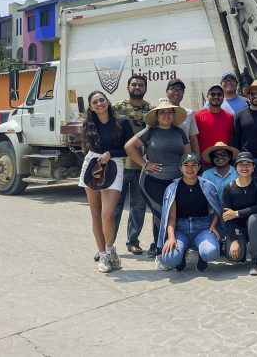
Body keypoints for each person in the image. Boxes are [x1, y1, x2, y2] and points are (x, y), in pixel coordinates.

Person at [124, 99, 189, 262]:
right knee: (161, 212)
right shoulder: (150, 131)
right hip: (152, 181)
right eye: (162, 112)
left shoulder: (180, 132)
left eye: (169, 112)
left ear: (173, 115)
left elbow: (188, 156)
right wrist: (145, 164)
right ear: (157, 115)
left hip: (176, 181)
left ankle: (164, 245)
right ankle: (160, 248)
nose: (166, 115)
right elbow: (129, 147)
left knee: (173, 214)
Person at [80, 90, 134, 273]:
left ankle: (111, 251)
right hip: (92, 167)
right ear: (91, 107)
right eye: (95, 102)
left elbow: (128, 149)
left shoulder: (122, 122)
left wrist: (111, 153)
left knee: (107, 215)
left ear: (108, 102)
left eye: (102, 100)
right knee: (95, 214)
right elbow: (87, 148)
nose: (99, 104)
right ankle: (102, 255)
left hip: (114, 165)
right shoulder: (88, 124)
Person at [158, 153, 222, 273]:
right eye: (186, 165)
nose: (190, 168)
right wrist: (171, 237)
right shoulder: (173, 188)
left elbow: (217, 208)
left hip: (202, 227)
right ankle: (181, 254)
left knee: (211, 253)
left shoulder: (208, 186)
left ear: (198, 168)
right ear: (180, 168)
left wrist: (213, 225)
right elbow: (171, 217)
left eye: (194, 165)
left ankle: (203, 258)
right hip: (180, 229)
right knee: (169, 259)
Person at [111, 75, 153, 258]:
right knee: (114, 207)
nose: (137, 87)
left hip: (141, 166)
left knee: (138, 206)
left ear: (145, 88)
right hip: (119, 165)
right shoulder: (116, 108)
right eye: (134, 84)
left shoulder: (151, 110)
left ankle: (133, 242)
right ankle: (107, 244)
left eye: (141, 85)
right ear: (128, 87)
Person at [221, 152, 257, 275]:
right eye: (241, 164)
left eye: (248, 164)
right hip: (240, 229)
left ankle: (255, 260)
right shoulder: (228, 188)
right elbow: (227, 217)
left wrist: (237, 213)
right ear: (235, 167)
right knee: (235, 258)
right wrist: (233, 240)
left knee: (253, 218)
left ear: (253, 168)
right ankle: (241, 244)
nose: (244, 167)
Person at [194, 84, 234, 168]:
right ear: (207, 96)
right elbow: (194, 141)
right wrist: (198, 160)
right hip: (205, 164)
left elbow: (231, 139)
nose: (216, 96)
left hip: (224, 163)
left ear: (223, 97)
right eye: (213, 94)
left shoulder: (229, 117)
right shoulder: (198, 116)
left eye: (219, 94)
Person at [165, 78, 201, 159]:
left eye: (180, 90)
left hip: (184, 160)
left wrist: (198, 160)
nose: (176, 92)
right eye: (173, 89)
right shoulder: (157, 112)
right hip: (163, 159)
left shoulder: (189, 113)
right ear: (167, 91)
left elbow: (193, 140)